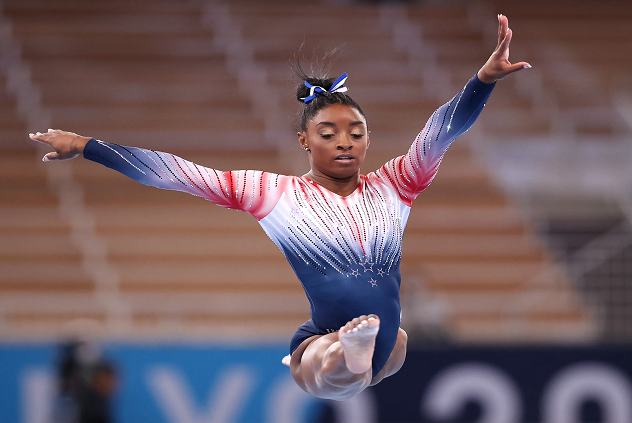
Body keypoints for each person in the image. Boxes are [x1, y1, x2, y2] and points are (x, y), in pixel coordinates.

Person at [30, 15, 529, 401]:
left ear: (368, 139)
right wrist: (87, 145)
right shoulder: (274, 193)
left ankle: (359, 355)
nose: (345, 144)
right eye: (328, 134)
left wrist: (482, 80)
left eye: (356, 133)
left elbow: (441, 131)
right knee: (335, 363)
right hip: (320, 341)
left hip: (379, 344)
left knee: (394, 344)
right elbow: (176, 173)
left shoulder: (396, 184)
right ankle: (346, 354)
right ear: (304, 141)